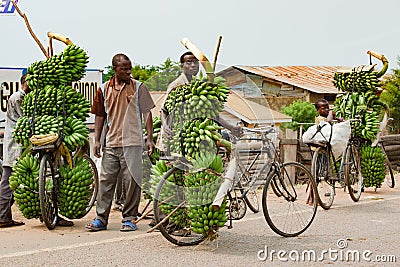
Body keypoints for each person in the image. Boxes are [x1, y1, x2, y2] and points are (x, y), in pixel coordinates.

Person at [86, 53, 155, 232]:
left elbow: (147, 113)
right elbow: (100, 116)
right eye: (124, 69)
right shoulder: (103, 89)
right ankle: (101, 218)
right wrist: (97, 140)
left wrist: (149, 138)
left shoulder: (139, 87)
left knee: (131, 182)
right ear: (115, 69)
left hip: (132, 142)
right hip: (111, 143)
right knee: (106, 181)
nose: (128, 72)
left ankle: (130, 218)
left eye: (129, 68)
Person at [0, 71, 73, 227]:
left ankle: (46, 214)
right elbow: (27, 122)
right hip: (16, 146)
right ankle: (2, 216)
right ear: (25, 83)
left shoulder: (27, 98)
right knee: (8, 182)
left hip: (25, 146)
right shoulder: (18, 98)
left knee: (32, 182)